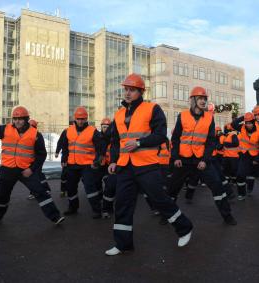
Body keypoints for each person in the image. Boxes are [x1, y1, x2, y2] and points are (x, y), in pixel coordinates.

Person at [105, 73, 193, 256]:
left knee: (159, 199)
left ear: (141, 91)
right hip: (125, 166)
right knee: (122, 205)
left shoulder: (152, 109)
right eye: (126, 90)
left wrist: (139, 143)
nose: (128, 93)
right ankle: (123, 244)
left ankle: (184, 228)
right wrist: (113, 160)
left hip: (146, 165)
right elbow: (115, 141)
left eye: (132, 90)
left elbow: (161, 135)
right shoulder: (119, 114)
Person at [168, 86, 237, 225]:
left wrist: (205, 160)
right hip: (183, 159)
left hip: (201, 159)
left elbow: (211, 142)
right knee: (173, 188)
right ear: (193, 100)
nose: (203, 101)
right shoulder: (183, 116)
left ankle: (227, 215)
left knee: (217, 185)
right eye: (200, 98)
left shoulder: (209, 118)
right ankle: (167, 215)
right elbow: (175, 139)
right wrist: (175, 157)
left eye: (205, 98)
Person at [0, 106, 64, 225]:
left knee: (40, 191)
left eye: (20, 119)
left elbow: (41, 155)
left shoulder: (35, 134)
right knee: (1, 196)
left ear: (26, 119)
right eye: (15, 118)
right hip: (8, 170)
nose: (17, 121)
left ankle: (55, 216)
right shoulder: (5, 129)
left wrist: (31, 169)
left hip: (26, 170)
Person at [60, 106, 103, 219]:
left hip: (87, 165)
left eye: (83, 119)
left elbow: (100, 148)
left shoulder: (93, 131)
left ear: (86, 119)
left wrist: (97, 161)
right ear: (75, 119)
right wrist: (64, 158)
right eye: (78, 119)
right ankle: (73, 208)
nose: (80, 121)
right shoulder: (68, 131)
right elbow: (64, 146)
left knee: (90, 187)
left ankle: (97, 210)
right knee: (70, 187)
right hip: (72, 164)